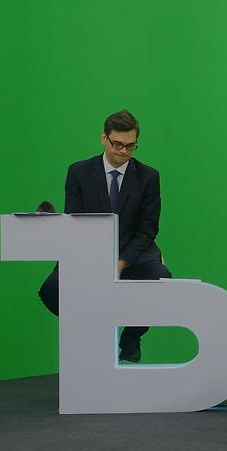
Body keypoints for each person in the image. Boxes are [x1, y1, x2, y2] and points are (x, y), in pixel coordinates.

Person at [38, 110, 172, 363]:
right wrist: (96, 263)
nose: (123, 151)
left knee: (162, 281)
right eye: (117, 144)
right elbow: (75, 221)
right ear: (104, 138)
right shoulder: (78, 172)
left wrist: (121, 262)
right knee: (52, 289)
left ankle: (131, 337)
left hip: (134, 254)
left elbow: (147, 230)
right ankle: (93, 330)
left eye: (130, 146)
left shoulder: (149, 177)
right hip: (87, 253)